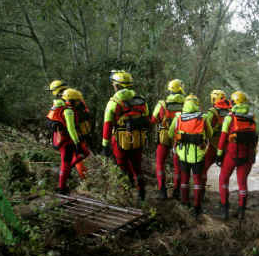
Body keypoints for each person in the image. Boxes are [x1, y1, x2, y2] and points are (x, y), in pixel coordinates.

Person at [101, 70, 150, 203]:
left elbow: (107, 125)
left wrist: (105, 145)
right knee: (137, 166)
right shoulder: (141, 101)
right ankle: (141, 193)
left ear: (117, 85)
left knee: (121, 166)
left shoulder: (114, 102)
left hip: (120, 140)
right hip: (138, 139)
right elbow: (147, 119)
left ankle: (126, 194)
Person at [168, 94, 212, 217]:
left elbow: (171, 133)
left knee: (184, 179)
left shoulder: (178, 117)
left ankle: (185, 202)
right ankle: (197, 207)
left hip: (183, 155)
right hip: (198, 154)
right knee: (197, 181)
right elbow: (210, 133)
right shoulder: (203, 117)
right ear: (197, 104)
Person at [216, 91, 258, 220]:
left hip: (232, 155)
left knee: (223, 179)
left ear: (234, 102)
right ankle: (241, 211)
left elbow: (223, 138)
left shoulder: (229, 117)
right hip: (247, 156)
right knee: (242, 183)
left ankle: (224, 208)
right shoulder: (252, 118)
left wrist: (219, 154)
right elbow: (255, 139)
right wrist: (253, 156)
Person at [46, 88, 89, 194]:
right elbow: (71, 128)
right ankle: (61, 187)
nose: (79, 102)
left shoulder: (61, 108)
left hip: (64, 140)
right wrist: (77, 142)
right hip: (67, 142)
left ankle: (66, 173)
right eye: (77, 101)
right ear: (72, 101)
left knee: (84, 153)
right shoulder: (68, 111)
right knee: (66, 164)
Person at [151, 79, 185, 199]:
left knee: (160, 163)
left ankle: (162, 191)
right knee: (178, 165)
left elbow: (153, 120)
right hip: (179, 136)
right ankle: (176, 191)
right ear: (181, 89)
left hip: (164, 135)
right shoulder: (186, 103)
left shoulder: (162, 104)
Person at [201, 90, 232, 201]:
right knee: (224, 175)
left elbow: (204, 128)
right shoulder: (231, 111)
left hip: (213, 146)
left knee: (203, 169)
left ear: (213, 99)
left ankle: (201, 193)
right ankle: (224, 199)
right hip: (228, 147)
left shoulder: (211, 112)